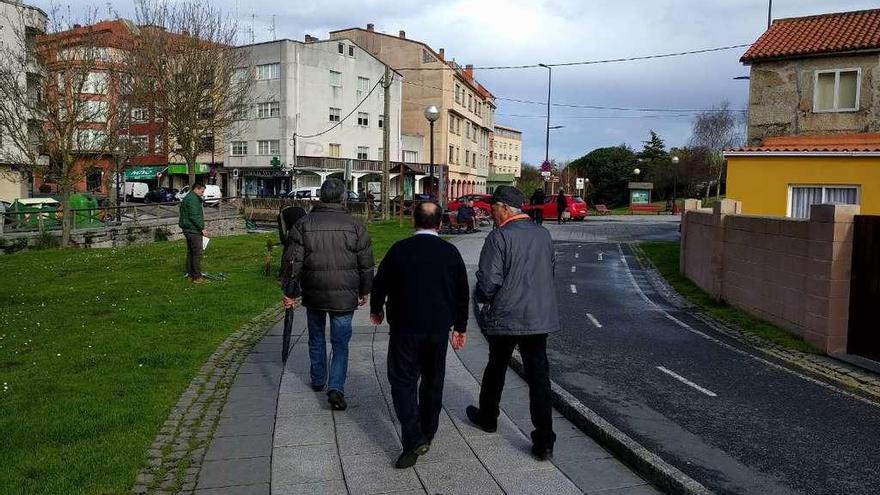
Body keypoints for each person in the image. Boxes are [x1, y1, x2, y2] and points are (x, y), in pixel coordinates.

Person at [370, 202, 469, 469]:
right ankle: (427, 431)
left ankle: (413, 437)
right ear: (439, 224)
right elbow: (462, 292)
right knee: (433, 380)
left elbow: (380, 283)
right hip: (438, 329)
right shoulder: (450, 252)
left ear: (414, 221)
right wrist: (460, 326)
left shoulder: (399, 250)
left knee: (402, 381)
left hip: (405, 327)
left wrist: (376, 308)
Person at [466, 185, 560, 460]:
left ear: (505, 208)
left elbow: (488, 282)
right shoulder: (543, 234)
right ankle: (544, 440)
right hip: (538, 315)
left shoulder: (499, 237)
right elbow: (550, 271)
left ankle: (488, 417)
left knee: (496, 367)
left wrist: (484, 299)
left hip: (507, 314)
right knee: (539, 377)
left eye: (494, 208)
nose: (492, 213)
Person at [281, 178, 374, 411]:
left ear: (321, 197)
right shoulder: (356, 226)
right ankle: (336, 386)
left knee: (316, 336)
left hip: (314, 290)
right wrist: (365, 290)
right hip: (344, 293)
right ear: (343, 198)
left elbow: (293, 261)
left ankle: (318, 378)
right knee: (341, 342)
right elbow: (365, 263)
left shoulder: (303, 224)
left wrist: (290, 292)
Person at [179, 183, 207, 283]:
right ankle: (197, 277)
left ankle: (190, 274)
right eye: (202, 191)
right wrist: (202, 228)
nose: (203, 194)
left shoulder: (189, 197)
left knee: (191, 252)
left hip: (188, 228)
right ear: (197, 189)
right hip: (193, 229)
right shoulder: (193, 199)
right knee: (196, 253)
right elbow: (194, 216)